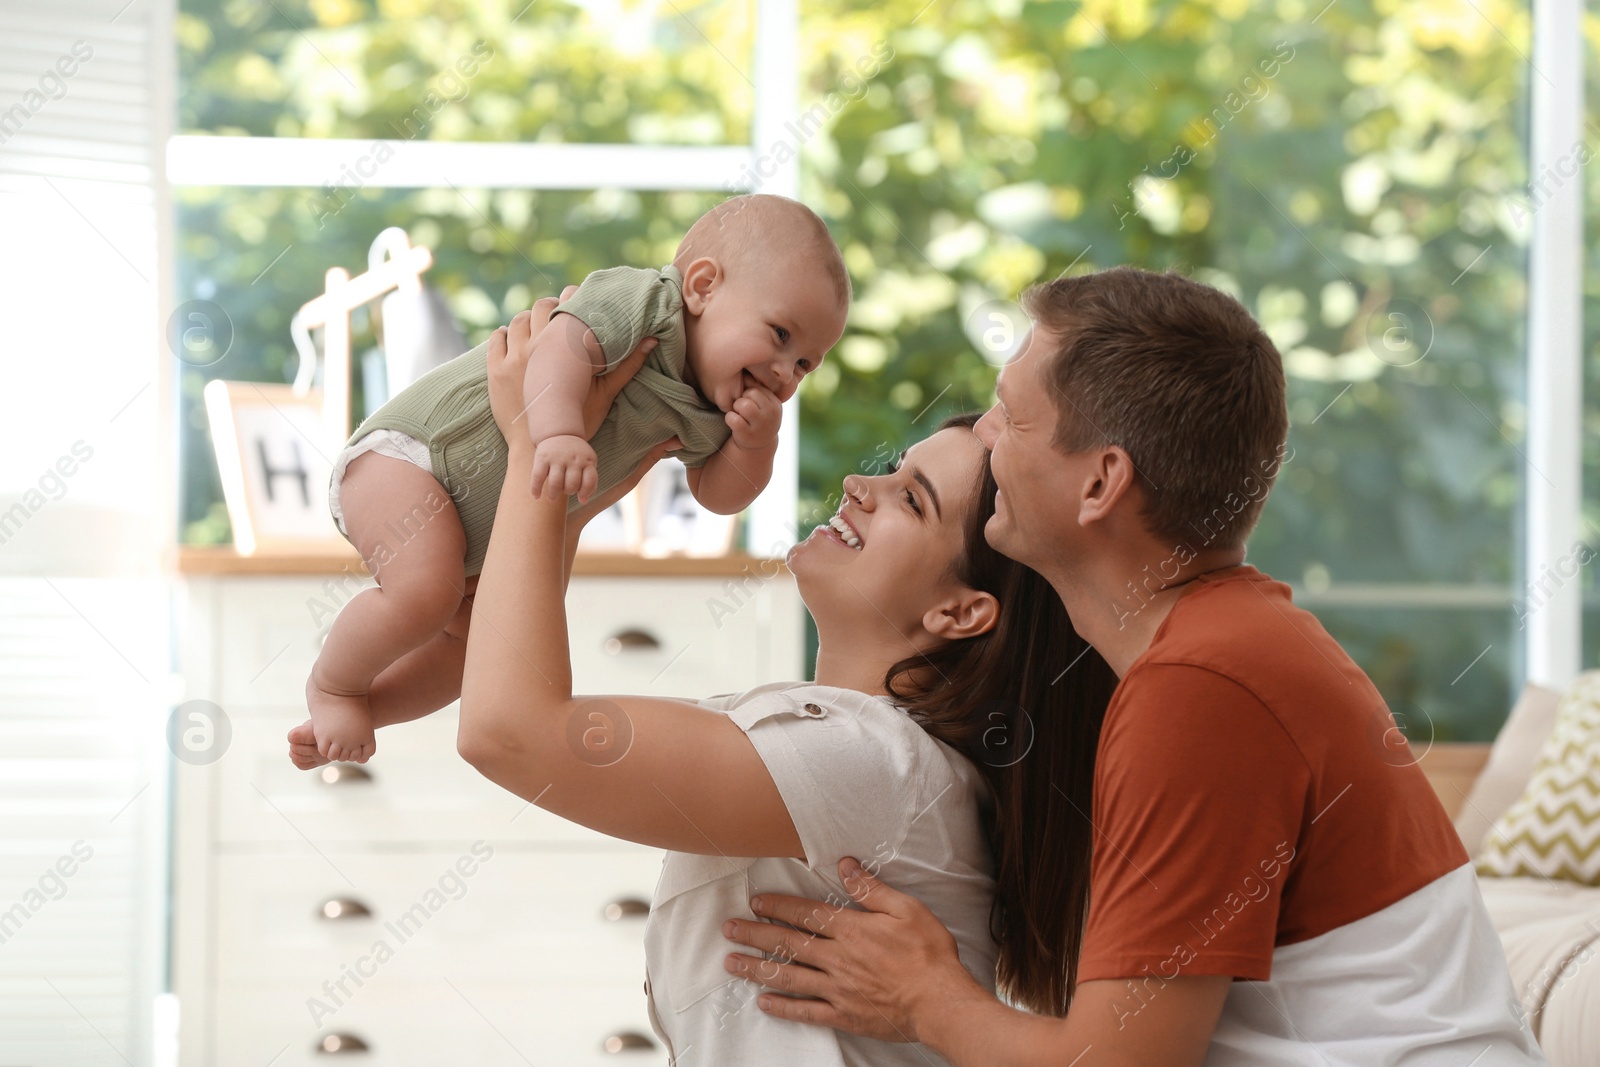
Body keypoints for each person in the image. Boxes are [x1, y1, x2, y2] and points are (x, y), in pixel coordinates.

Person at [720, 267, 1547, 1066]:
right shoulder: (1225, 647)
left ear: (1101, 483)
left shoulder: (1203, 686)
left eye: (1013, 417)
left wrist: (926, 997)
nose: (983, 434)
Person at [426, 293, 1119, 1065]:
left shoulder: (876, 766)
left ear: (961, 613)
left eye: (911, 500)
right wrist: (576, 477)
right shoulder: (857, 750)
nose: (862, 482)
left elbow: (510, 730)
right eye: (895, 470)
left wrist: (534, 447)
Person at [302, 193, 849, 763]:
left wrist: (757, 445)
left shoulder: (713, 411)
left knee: (471, 648)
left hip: (482, 538)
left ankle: (369, 707)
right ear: (703, 287)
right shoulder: (644, 302)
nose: (786, 374)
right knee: (424, 593)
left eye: (806, 363)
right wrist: (560, 432)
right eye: (781, 336)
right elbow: (558, 348)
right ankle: (335, 683)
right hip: (415, 459)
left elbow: (716, 496)